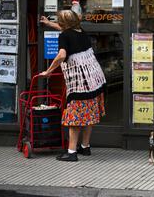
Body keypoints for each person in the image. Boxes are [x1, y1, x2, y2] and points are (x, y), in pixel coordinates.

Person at [40, 9, 106, 162]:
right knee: (90, 114)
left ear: (64, 24)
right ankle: (85, 146)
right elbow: (65, 29)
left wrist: (49, 71)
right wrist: (49, 23)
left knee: (74, 118)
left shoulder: (64, 36)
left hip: (79, 84)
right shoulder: (80, 31)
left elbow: (62, 55)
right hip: (95, 80)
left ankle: (71, 152)